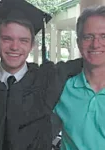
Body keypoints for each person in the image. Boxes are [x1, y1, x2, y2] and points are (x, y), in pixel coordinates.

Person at [0, 0, 82, 149]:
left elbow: (91, 61)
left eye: (23, 40)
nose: (15, 47)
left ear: (31, 45)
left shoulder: (48, 78)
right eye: (7, 39)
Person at [54, 5, 105, 150]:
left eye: (104, 36)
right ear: (78, 43)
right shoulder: (61, 88)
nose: (95, 44)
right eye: (88, 37)